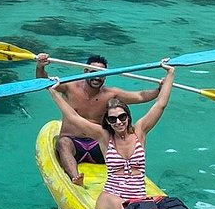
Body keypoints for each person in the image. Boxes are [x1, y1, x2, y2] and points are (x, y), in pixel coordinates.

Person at [48, 69, 176, 209]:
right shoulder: (104, 137)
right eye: (112, 119)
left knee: (159, 208)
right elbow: (74, 117)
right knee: (124, 208)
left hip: (138, 198)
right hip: (110, 199)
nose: (118, 122)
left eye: (122, 117)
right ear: (107, 121)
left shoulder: (140, 132)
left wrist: (170, 74)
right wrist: (52, 91)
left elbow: (160, 104)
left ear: (128, 117)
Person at [34, 52, 168, 185]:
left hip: (98, 146)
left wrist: (159, 89)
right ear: (85, 71)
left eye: (101, 74)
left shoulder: (111, 94)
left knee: (122, 143)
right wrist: (41, 67)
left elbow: (140, 96)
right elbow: (44, 82)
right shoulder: (70, 86)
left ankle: (127, 177)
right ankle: (76, 179)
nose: (97, 77)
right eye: (93, 72)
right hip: (73, 143)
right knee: (63, 143)